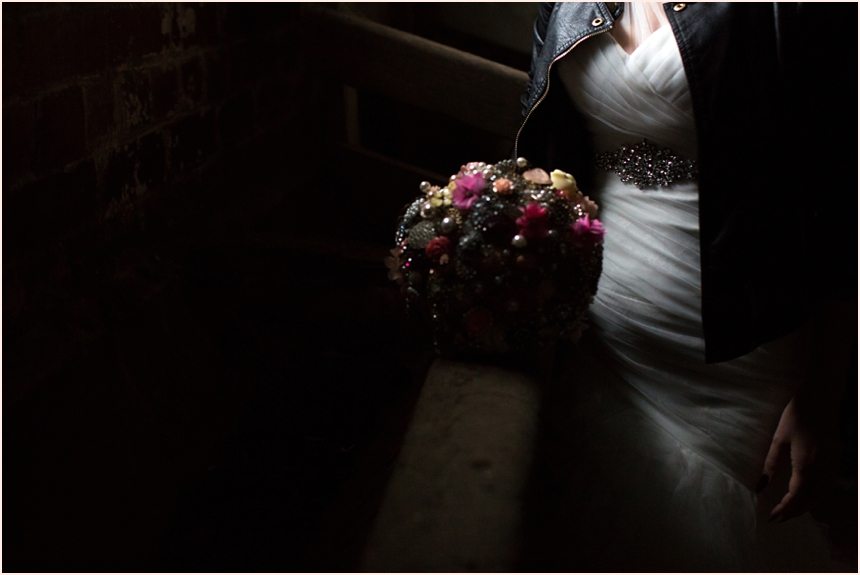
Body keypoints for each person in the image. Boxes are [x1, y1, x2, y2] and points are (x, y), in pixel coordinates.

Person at [515, 3, 857, 571]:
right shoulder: (568, 6)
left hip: (743, 342)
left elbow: (844, 209)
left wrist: (821, 397)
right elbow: (543, 152)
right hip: (600, 332)